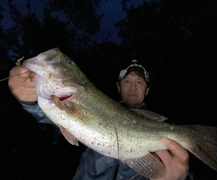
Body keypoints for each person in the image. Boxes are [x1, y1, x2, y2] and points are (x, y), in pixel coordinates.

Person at [8, 60, 190, 180]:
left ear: (147, 90)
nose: (133, 86)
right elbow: (53, 116)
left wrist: (182, 177)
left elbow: (180, 168)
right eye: (127, 81)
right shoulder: (93, 105)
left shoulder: (159, 127)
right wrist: (30, 99)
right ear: (118, 87)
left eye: (140, 82)